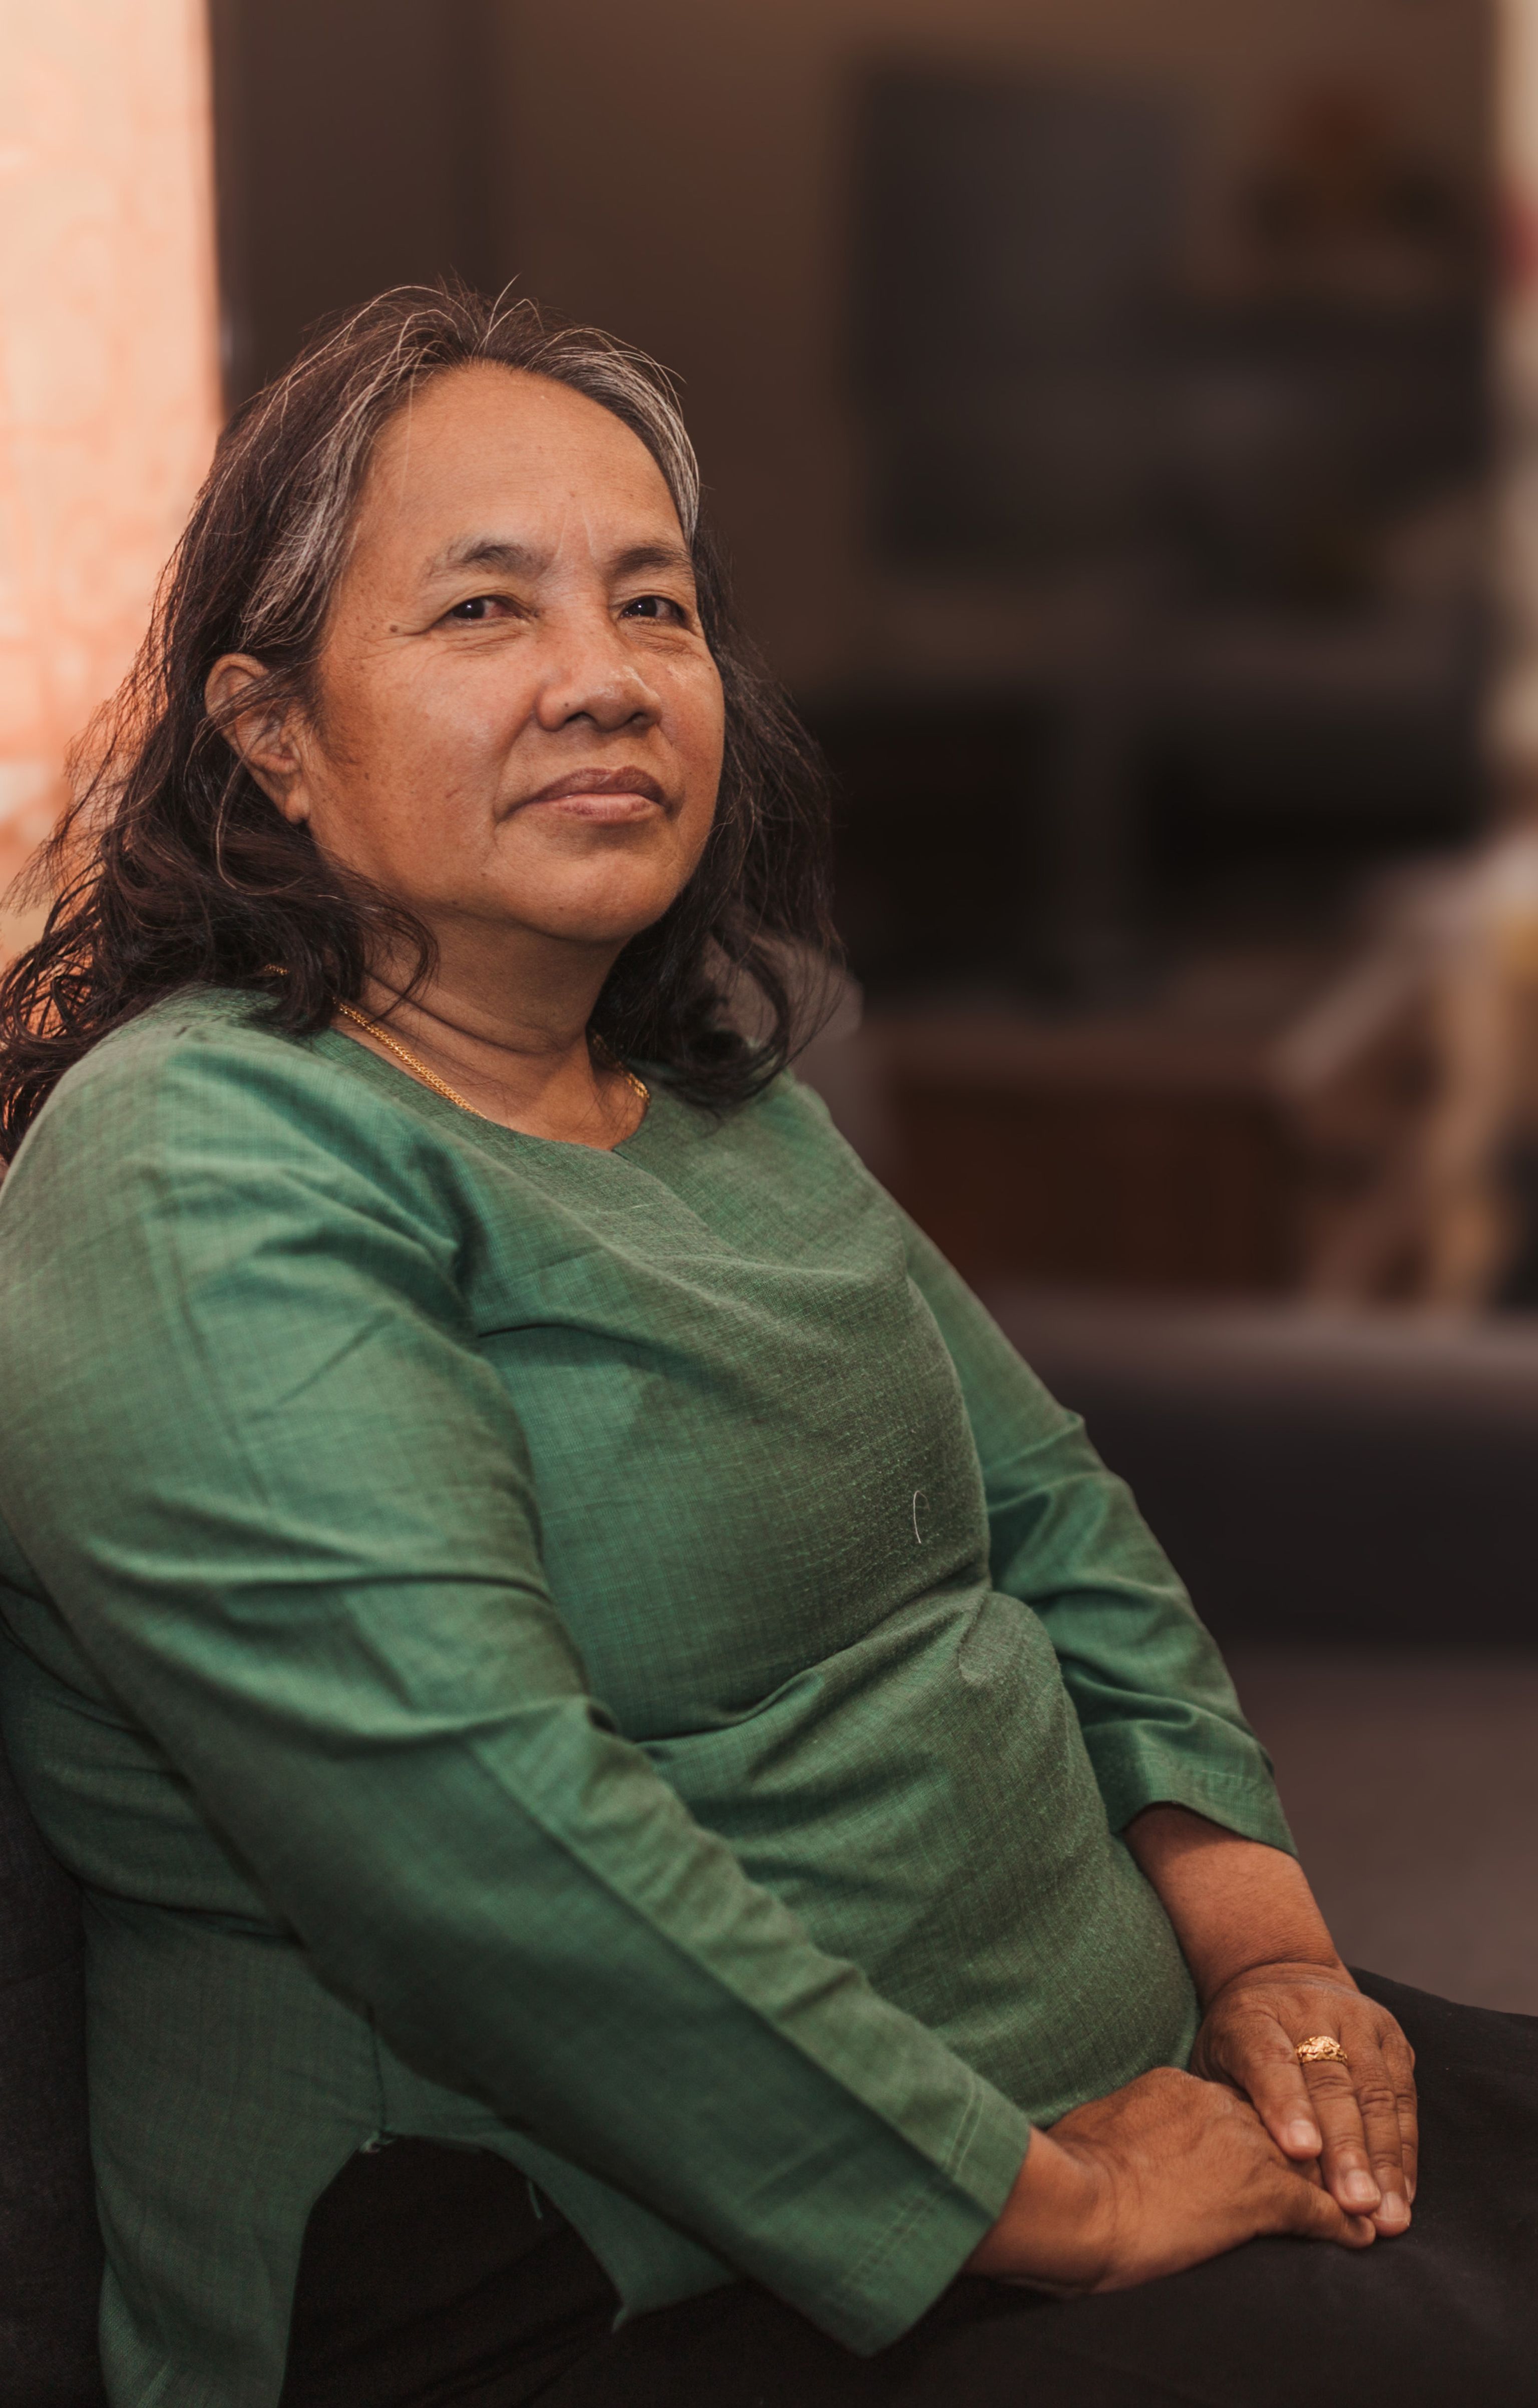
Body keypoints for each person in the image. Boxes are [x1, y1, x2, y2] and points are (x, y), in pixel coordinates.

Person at [0, 287, 1529, 2408]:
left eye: (655, 605)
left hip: (1106, 2105)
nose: (606, 677)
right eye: (485, 609)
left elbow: (1057, 1521)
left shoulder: (728, 1110)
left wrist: (1270, 1956)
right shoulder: (196, 1162)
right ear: (274, 732)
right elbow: (479, 1834)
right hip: (604, 2281)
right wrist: (1059, 2206)